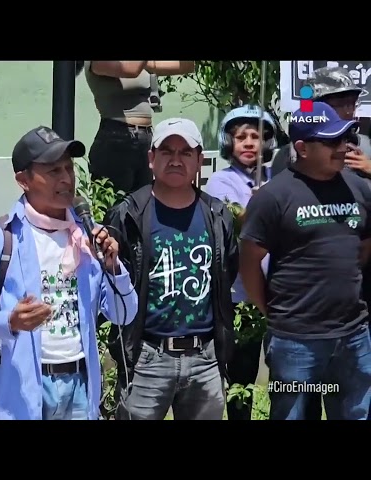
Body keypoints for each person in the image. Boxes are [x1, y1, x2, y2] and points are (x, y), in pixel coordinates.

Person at [0, 126, 138, 420]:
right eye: (53, 171)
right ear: (23, 180)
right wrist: (9, 321)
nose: (66, 179)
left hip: (80, 385)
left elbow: (123, 314)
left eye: (69, 168)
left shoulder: (87, 238)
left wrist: (115, 268)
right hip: (20, 389)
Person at [240, 102, 371, 420]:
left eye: (344, 138)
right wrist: (270, 311)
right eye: (331, 141)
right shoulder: (273, 197)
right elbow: (248, 263)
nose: (343, 147)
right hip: (295, 340)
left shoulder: (360, 189)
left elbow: (365, 247)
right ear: (302, 148)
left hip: (354, 335)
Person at [105, 118, 239, 421]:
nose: (176, 160)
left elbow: (227, 271)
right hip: (148, 358)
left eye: (186, 152)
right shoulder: (128, 214)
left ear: (199, 161)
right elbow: (111, 286)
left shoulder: (217, 215)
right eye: (166, 151)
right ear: (151, 158)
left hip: (205, 359)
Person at [204, 105, 278, 420]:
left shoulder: (281, 176)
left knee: (286, 379)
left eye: (256, 137)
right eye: (241, 137)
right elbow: (233, 223)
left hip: (281, 295)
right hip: (241, 300)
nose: (249, 143)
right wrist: (260, 202)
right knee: (241, 379)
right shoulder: (220, 182)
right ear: (227, 142)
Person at [83, 61, 195, 194]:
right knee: (114, 208)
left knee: (142, 208)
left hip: (145, 139)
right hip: (116, 139)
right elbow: (131, 70)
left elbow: (186, 66)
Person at [271, 66, 371, 179]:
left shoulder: (365, 147)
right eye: (339, 104)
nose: (348, 111)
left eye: (351, 103)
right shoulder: (289, 155)